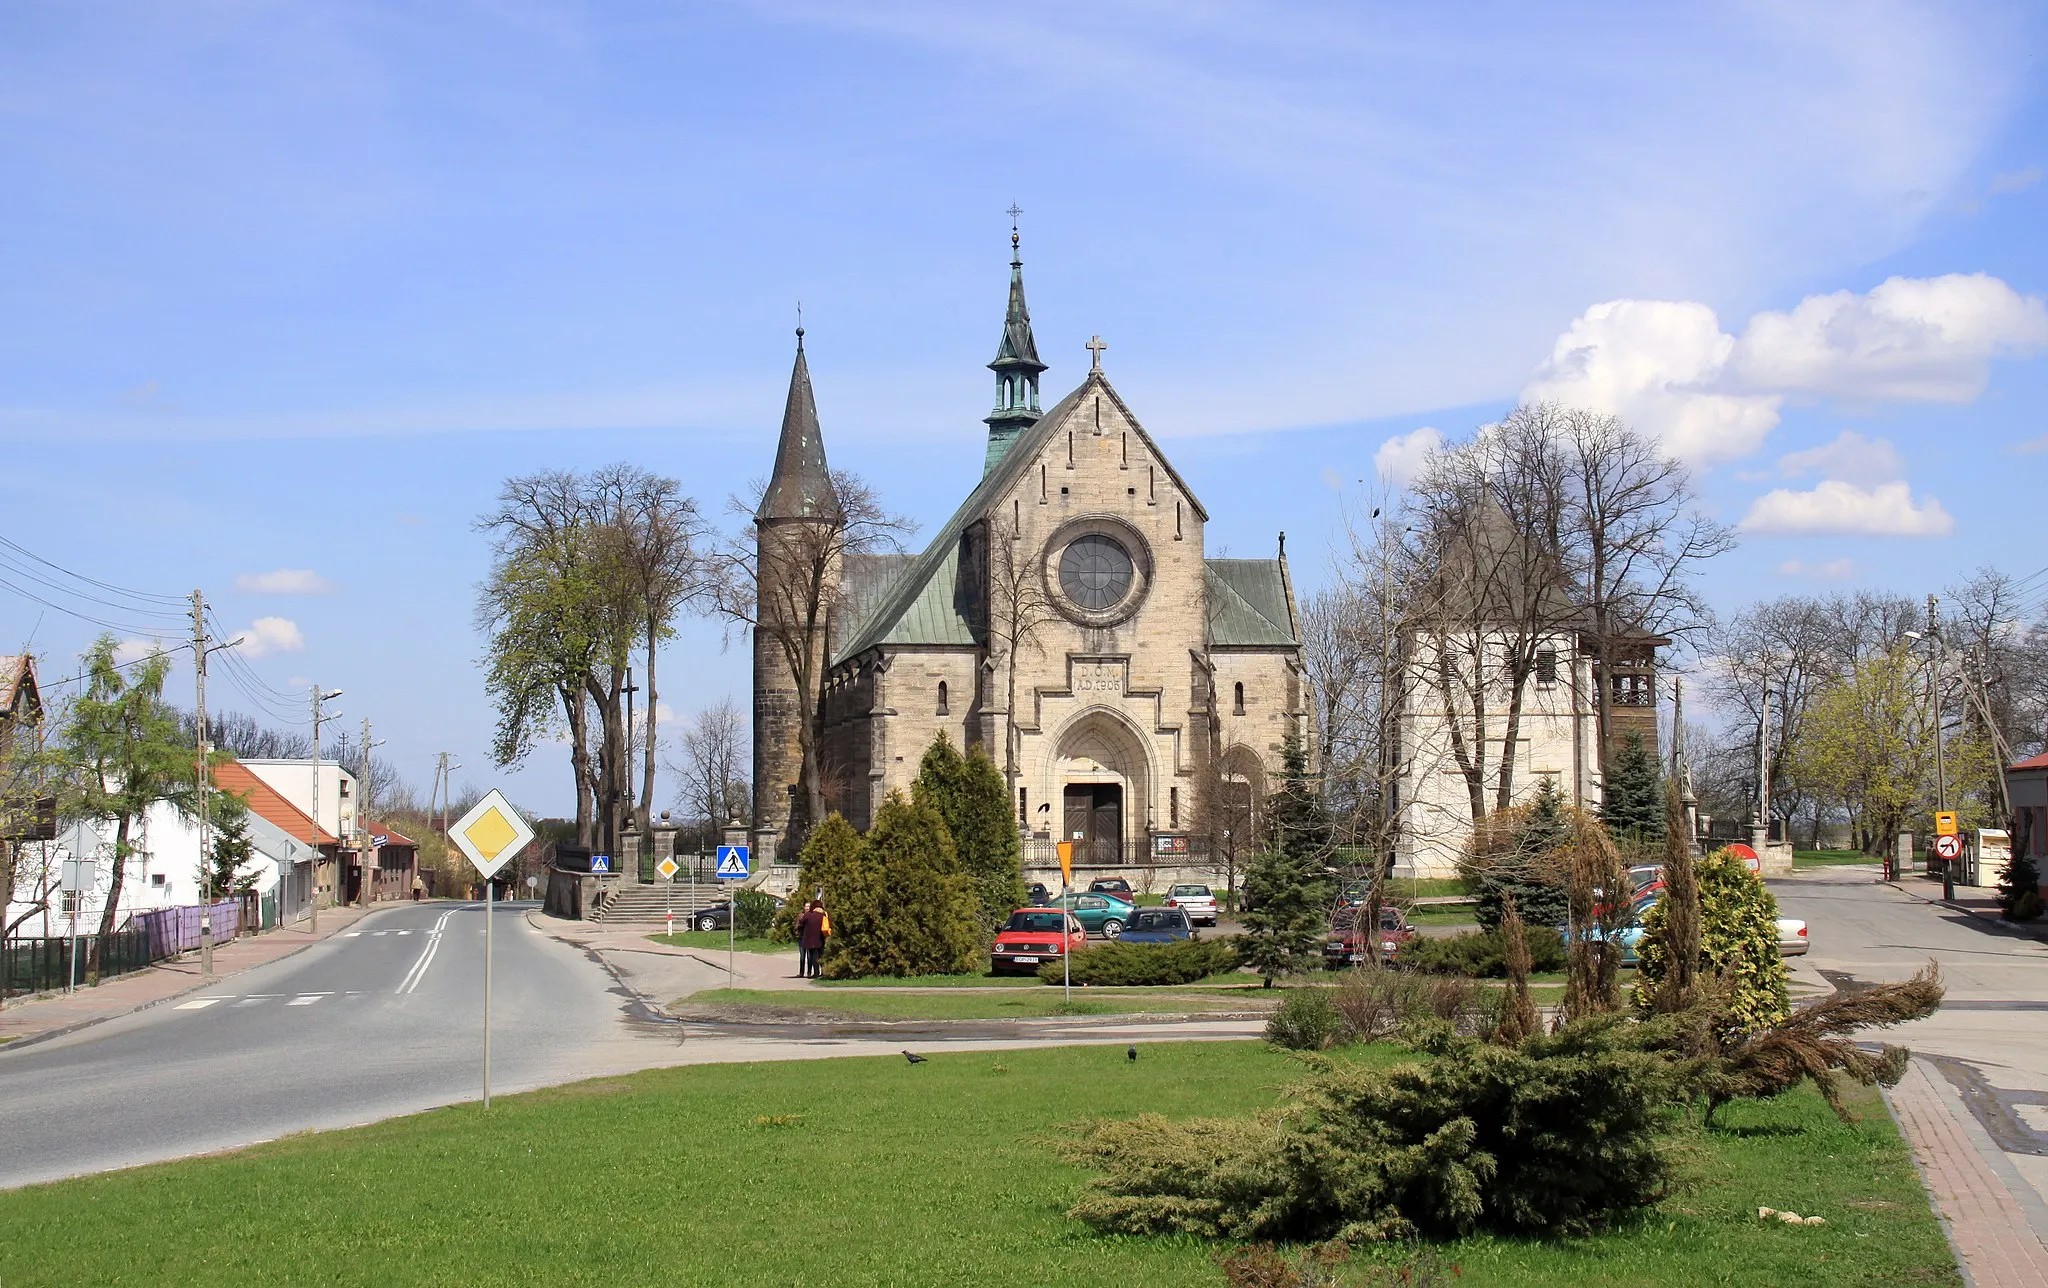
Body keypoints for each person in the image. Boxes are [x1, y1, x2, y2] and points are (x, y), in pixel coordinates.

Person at [796, 900, 828, 978]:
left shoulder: (809, 915)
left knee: (813, 956)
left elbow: (801, 923)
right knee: (821, 955)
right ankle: (824, 971)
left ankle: (816, 972)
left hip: (810, 939)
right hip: (821, 938)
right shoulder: (824, 914)